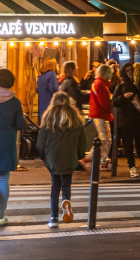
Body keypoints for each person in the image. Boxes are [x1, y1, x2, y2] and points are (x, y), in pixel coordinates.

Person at [36, 92, 86, 228]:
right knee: (66, 184)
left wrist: (44, 157)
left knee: (55, 186)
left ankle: (53, 219)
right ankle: (66, 201)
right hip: (70, 157)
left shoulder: (48, 118)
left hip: (53, 158)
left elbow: (40, 144)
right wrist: (79, 155)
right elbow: (83, 143)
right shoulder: (75, 118)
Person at [112, 63, 140, 178]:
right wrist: (124, 97)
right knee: (128, 144)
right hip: (126, 120)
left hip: (135, 118)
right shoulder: (121, 86)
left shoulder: (135, 86)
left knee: (139, 142)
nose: (131, 73)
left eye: (131, 71)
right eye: (128, 71)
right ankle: (132, 166)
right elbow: (114, 101)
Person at [0, 69, 25, 226]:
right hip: (7, 145)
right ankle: (0, 214)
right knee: (3, 180)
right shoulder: (15, 103)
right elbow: (20, 124)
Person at [87, 64, 114, 171]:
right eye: (109, 72)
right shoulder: (102, 84)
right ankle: (96, 159)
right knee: (105, 139)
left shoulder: (97, 83)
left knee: (104, 138)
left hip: (97, 113)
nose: (111, 75)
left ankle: (96, 159)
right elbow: (104, 102)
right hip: (101, 114)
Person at [37, 58, 60, 124]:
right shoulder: (52, 74)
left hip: (42, 108)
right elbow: (55, 89)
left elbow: (38, 90)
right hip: (51, 106)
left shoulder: (40, 77)